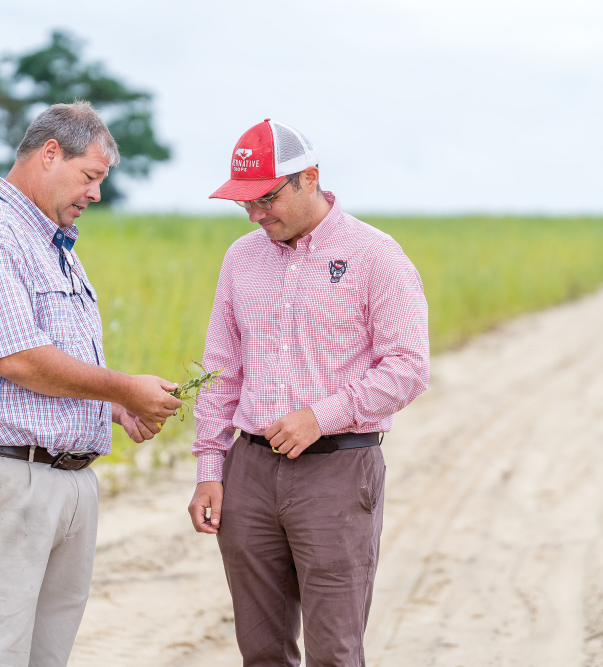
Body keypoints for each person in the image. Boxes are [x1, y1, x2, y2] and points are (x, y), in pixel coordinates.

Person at [0, 101, 183, 666]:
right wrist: (121, 388)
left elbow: (37, 368)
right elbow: (17, 359)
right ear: (49, 154)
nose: (96, 194)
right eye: (91, 176)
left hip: (59, 487)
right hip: (0, 484)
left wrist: (110, 409)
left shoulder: (50, 242)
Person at [187, 119, 430, 666]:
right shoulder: (241, 259)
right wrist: (209, 468)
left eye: (266, 198)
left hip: (336, 474)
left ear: (310, 178)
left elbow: (410, 366)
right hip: (246, 473)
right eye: (244, 203)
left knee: (334, 653)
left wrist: (323, 415)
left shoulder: (376, 255)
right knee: (261, 652)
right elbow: (223, 371)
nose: (255, 214)